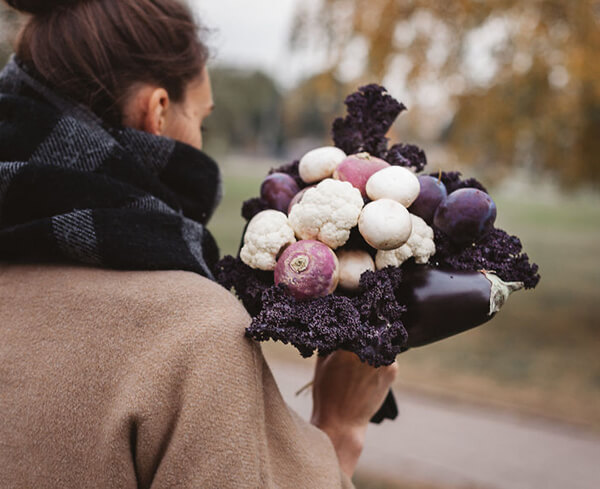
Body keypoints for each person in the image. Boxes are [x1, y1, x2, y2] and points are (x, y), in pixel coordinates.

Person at [0, 0, 397, 487]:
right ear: (159, 111)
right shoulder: (192, 331)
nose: (202, 140)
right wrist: (341, 427)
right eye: (202, 121)